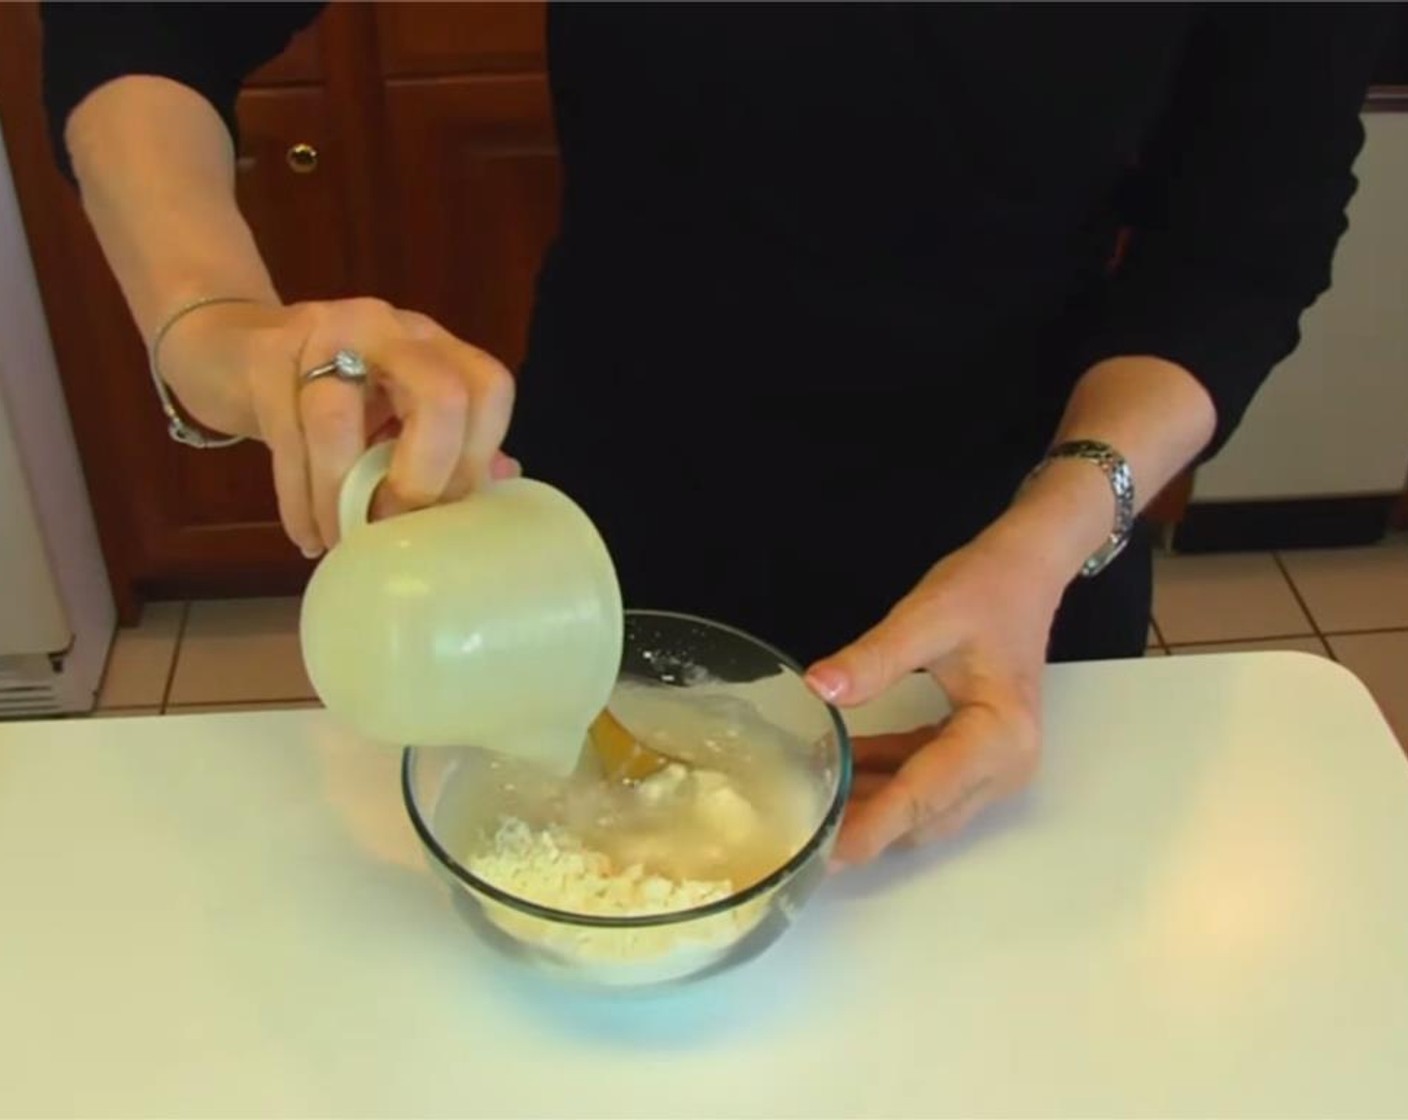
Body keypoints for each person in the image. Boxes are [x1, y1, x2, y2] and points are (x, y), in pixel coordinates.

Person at [41, 3, 1387, 866]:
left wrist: (1055, 531)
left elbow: (1241, 250)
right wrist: (210, 318)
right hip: (604, 544)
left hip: (1018, 568)